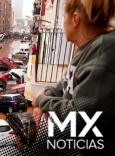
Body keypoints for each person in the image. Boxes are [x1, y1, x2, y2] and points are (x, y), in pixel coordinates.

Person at [32, 0, 115, 155]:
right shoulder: (86, 50)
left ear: (75, 19)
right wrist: (44, 100)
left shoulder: (103, 50)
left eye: (64, 16)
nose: (63, 22)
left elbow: (78, 117)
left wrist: (42, 101)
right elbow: (63, 87)